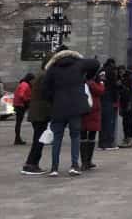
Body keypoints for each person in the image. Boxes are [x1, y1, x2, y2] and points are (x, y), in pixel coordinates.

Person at [43, 47, 99, 176]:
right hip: (75, 106)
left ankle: (54, 168)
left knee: (57, 138)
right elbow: (95, 64)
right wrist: (86, 77)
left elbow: (45, 89)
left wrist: (54, 99)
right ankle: (74, 165)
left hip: (58, 106)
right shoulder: (79, 64)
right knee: (75, 136)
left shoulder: (53, 68)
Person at [21, 54, 55, 175]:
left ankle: (31, 163)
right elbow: (48, 94)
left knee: (38, 139)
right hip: (41, 112)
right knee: (39, 140)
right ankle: (31, 164)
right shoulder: (45, 76)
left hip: (37, 111)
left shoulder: (41, 75)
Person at [80, 66, 105, 171]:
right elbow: (100, 91)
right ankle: (87, 161)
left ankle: (85, 161)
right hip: (92, 112)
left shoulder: (84, 82)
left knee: (84, 137)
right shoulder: (93, 83)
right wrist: (102, 83)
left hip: (85, 112)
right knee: (90, 137)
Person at [98, 58, 119, 151]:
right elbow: (114, 85)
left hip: (101, 97)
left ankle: (101, 142)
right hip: (109, 97)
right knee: (109, 121)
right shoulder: (111, 71)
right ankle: (108, 143)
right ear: (112, 64)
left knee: (102, 121)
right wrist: (115, 99)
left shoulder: (101, 71)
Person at [117, 66, 132, 148]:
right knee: (125, 122)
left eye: (121, 70)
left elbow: (131, 93)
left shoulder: (128, 80)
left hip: (130, 103)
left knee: (128, 121)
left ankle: (129, 139)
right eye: (119, 71)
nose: (120, 72)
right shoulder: (121, 79)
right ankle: (126, 138)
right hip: (124, 103)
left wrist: (130, 104)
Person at [12, 72, 35, 145]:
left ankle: (17, 139)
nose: (33, 82)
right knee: (20, 122)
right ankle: (17, 139)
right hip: (21, 105)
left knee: (18, 122)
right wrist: (27, 100)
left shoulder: (22, 84)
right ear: (30, 79)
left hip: (18, 104)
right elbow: (21, 95)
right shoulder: (25, 85)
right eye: (32, 80)